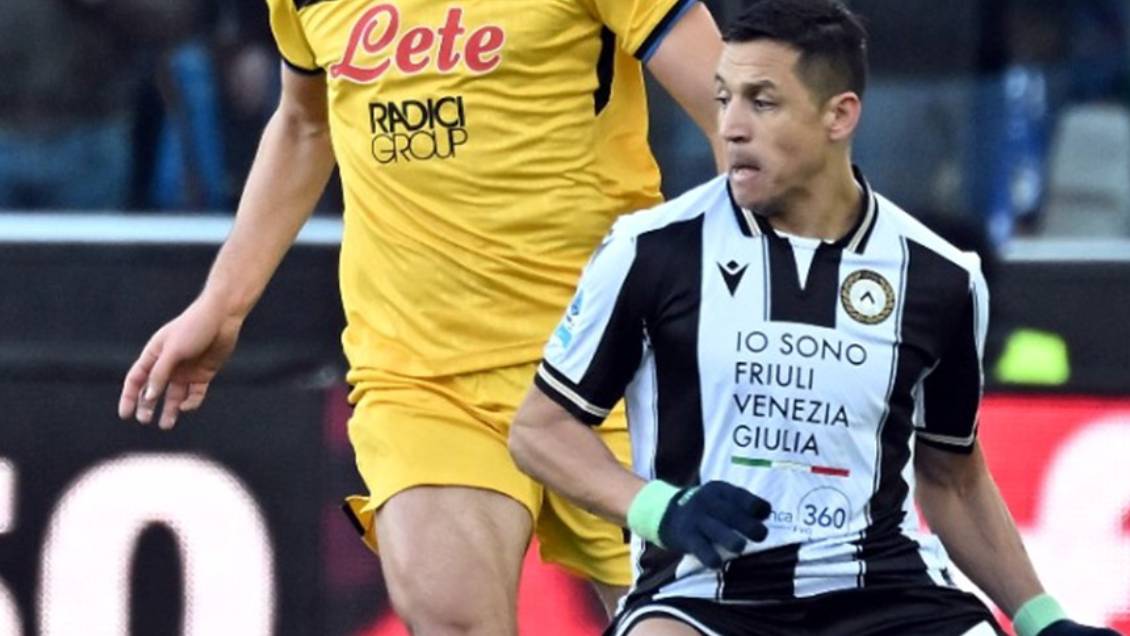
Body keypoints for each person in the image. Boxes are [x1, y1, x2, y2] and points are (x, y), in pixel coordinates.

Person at [508, 1, 1123, 635]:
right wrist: (662, 509)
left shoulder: (941, 276)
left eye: (762, 101)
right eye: (723, 98)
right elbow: (540, 431)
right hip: (704, 597)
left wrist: (1043, 619)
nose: (731, 126)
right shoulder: (651, 250)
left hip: (890, 596)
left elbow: (953, 479)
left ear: (840, 115)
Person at [117, 0, 725, 633]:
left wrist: (760, 299)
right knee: (454, 617)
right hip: (423, 376)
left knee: (685, 622)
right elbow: (304, 124)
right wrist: (222, 304)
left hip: (614, 365)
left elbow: (732, 110)